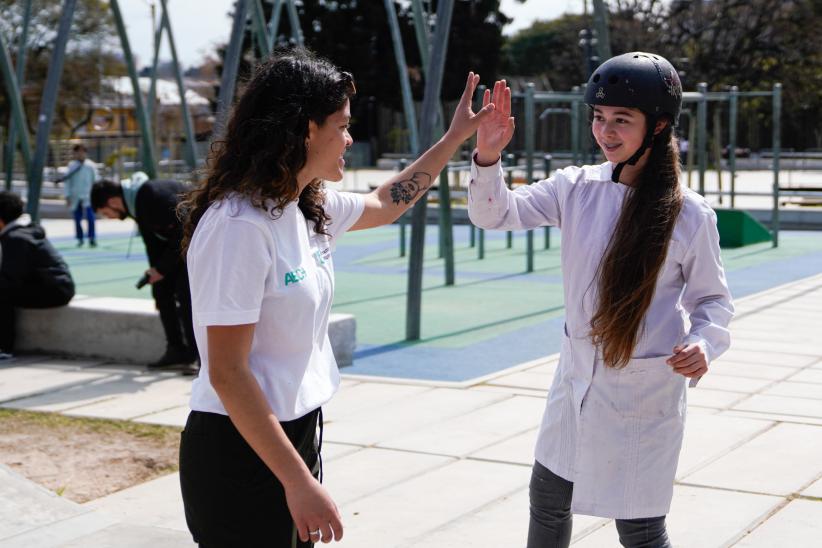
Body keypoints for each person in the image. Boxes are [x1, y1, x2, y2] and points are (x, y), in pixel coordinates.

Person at [177, 48, 495, 547]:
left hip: (292, 436)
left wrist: (454, 138)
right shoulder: (237, 226)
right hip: (239, 452)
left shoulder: (303, 206)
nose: (350, 139)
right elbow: (227, 372)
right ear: (305, 130)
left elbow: (385, 202)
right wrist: (298, 482)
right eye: (342, 126)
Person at [468, 53, 734, 547]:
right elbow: (494, 215)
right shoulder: (575, 188)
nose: (605, 131)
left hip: (642, 393)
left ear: (657, 127)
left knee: (640, 528)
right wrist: (488, 156)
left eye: (621, 120)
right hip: (575, 385)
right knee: (547, 504)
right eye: (598, 117)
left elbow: (713, 302)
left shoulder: (689, 215)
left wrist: (704, 344)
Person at [91, 174, 197, 372]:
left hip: (195, 245)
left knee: (186, 296)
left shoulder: (150, 196)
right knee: (161, 291)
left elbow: (183, 232)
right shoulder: (137, 201)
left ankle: (198, 356)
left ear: (113, 201)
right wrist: (155, 273)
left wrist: (162, 268)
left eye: (106, 213)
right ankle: (177, 350)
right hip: (180, 249)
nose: (110, 218)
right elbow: (153, 244)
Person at [0, 191, 75, 358]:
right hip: (57, 286)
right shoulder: (23, 231)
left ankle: (4, 347)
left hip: (54, 290)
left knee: (3, 293)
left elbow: (11, 280)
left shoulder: (15, 238)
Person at [59, 143, 99, 247]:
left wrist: (96, 195)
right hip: (75, 197)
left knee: (91, 218)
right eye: (78, 152)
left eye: (82, 151)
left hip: (88, 196)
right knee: (77, 219)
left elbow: (96, 181)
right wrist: (67, 196)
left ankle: (92, 237)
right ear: (74, 153)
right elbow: (67, 182)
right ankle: (80, 238)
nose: (80, 154)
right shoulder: (71, 166)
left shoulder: (91, 166)